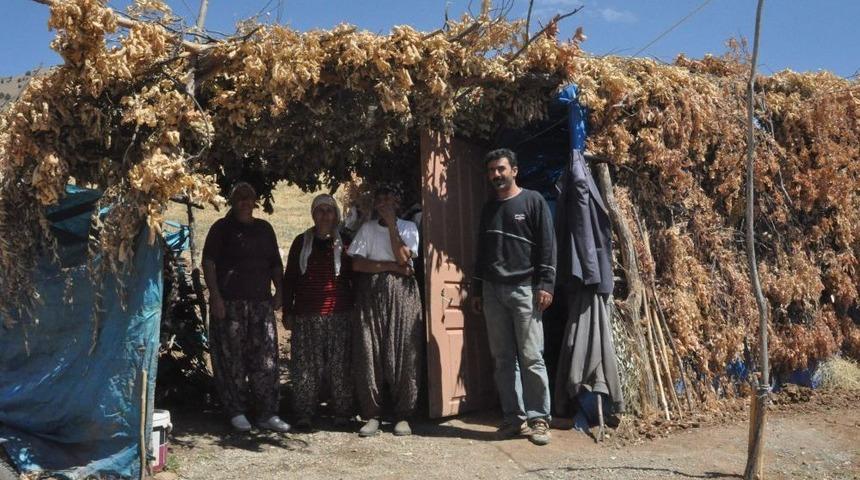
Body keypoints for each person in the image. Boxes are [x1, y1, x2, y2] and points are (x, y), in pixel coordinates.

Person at [469, 148, 557, 446]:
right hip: (493, 292)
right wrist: (478, 289)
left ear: (514, 170)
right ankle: (513, 418)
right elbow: (481, 254)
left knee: (532, 356)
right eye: (492, 170)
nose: (496, 174)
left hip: (525, 290)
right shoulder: (488, 209)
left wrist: (546, 284)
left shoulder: (533, 201)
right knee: (503, 359)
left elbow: (548, 245)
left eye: (501, 169)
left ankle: (539, 419)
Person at [202, 182, 291, 433]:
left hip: (261, 304)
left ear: (255, 202)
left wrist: (280, 291)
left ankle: (267, 413)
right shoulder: (221, 229)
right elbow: (208, 263)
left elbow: (275, 264)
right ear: (232, 201)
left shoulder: (265, 229)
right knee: (232, 361)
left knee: (266, 360)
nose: (244, 201)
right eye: (239, 197)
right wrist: (215, 297)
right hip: (230, 305)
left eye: (249, 197)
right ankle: (236, 411)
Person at [347, 184, 422, 437]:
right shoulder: (366, 229)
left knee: (403, 351)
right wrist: (392, 266)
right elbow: (357, 264)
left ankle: (403, 415)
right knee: (370, 350)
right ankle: (371, 414)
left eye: (389, 199)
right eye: (380, 199)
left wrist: (392, 225)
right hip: (370, 294)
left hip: (402, 295)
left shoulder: (409, 228)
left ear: (397, 203)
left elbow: (406, 259)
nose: (384, 203)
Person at [282, 194, 355, 430]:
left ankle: (342, 412)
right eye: (320, 210)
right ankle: (304, 413)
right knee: (305, 366)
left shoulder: (345, 242)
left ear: (336, 215)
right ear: (313, 214)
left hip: (339, 314)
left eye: (329, 210)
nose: (324, 215)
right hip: (306, 315)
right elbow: (290, 278)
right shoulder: (300, 242)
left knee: (340, 365)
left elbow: (354, 278)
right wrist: (288, 310)